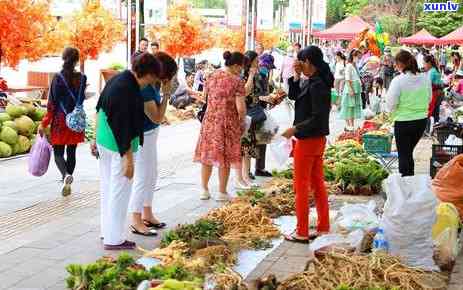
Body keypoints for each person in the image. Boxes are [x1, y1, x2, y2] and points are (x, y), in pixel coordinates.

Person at [93, 53, 160, 250]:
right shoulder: (127, 89)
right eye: (154, 77)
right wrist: (128, 159)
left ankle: (107, 231)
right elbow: (123, 126)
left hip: (104, 141)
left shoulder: (117, 79)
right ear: (147, 74)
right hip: (117, 146)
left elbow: (99, 108)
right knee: (119, 192)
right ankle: (114, 239)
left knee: (108, 189)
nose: (154, 81)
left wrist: (94, 139)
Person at [282, 46, 333, 243]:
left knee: (301, 186)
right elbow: (294, 96)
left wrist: (294, 129)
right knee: (317, 183)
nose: (298, 64)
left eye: (300, 61)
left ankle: (302, 231)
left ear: (309, 62)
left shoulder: (317, 85)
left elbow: (317, 117)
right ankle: (323, 227)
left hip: (309, 139)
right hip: (315, 140)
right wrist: (295, 76)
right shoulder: (312, 81)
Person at [129, 52, 178, 237]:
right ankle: (136, 218)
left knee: (151, 174)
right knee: (143, 176)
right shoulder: (146, 89)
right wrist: (166, 95)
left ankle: (147, 213)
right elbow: (157, 117)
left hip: (151, 134)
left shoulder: (152, 85)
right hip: (144, 136)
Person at [194, 51, 247, 201]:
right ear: (236, 66)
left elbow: (204, 97)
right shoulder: (237, 81)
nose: (241, 70)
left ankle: (204, 190)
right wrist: (242, 121)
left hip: (210, 120)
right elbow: (241, 108)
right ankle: (222, 192)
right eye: (241, 67)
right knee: (225, 157)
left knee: (207, 155)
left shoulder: (211, 75)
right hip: (227, 122)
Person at [39, 47, 87, 196]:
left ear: (63, 58)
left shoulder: (58, 77)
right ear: (77, 60)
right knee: (72, 152)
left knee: (58, 153)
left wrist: (44, 122)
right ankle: (68, 178)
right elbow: (82, 98)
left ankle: (65, 175)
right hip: (75, 120)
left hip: (60, 120)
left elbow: (52, 103)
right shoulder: (82, 77)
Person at [386, 50, 431, 177]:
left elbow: (390, 103)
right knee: (408, 152)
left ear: (401, 64)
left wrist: (392, 111)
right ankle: (409, 181)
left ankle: (406, 183)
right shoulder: (425, 78)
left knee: (404, 154)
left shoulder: (398, 80)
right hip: (421, 122)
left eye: (396, 63)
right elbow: (429, 98)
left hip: (404, 122)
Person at [340, 49, 363, 131]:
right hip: (351, 88)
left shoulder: (354, 65)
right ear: (353, 56)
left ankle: (351, 126)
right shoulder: (349, 65)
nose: (359, 58)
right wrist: (350, 89)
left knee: (352, 107)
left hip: (355, 88)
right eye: (358, 56)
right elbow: (347, 78)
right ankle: (349, 126)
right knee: (348, 107)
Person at [424, 55, 444, 124]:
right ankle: (435, 125)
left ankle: (432, 126)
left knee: (432, 111)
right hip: (438, 93)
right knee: (436, 110)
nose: (424, 65)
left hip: (435, 93)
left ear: (429, 63)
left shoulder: (431, 72)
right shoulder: (434, 70)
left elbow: (428, 85)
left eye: (424, 63)